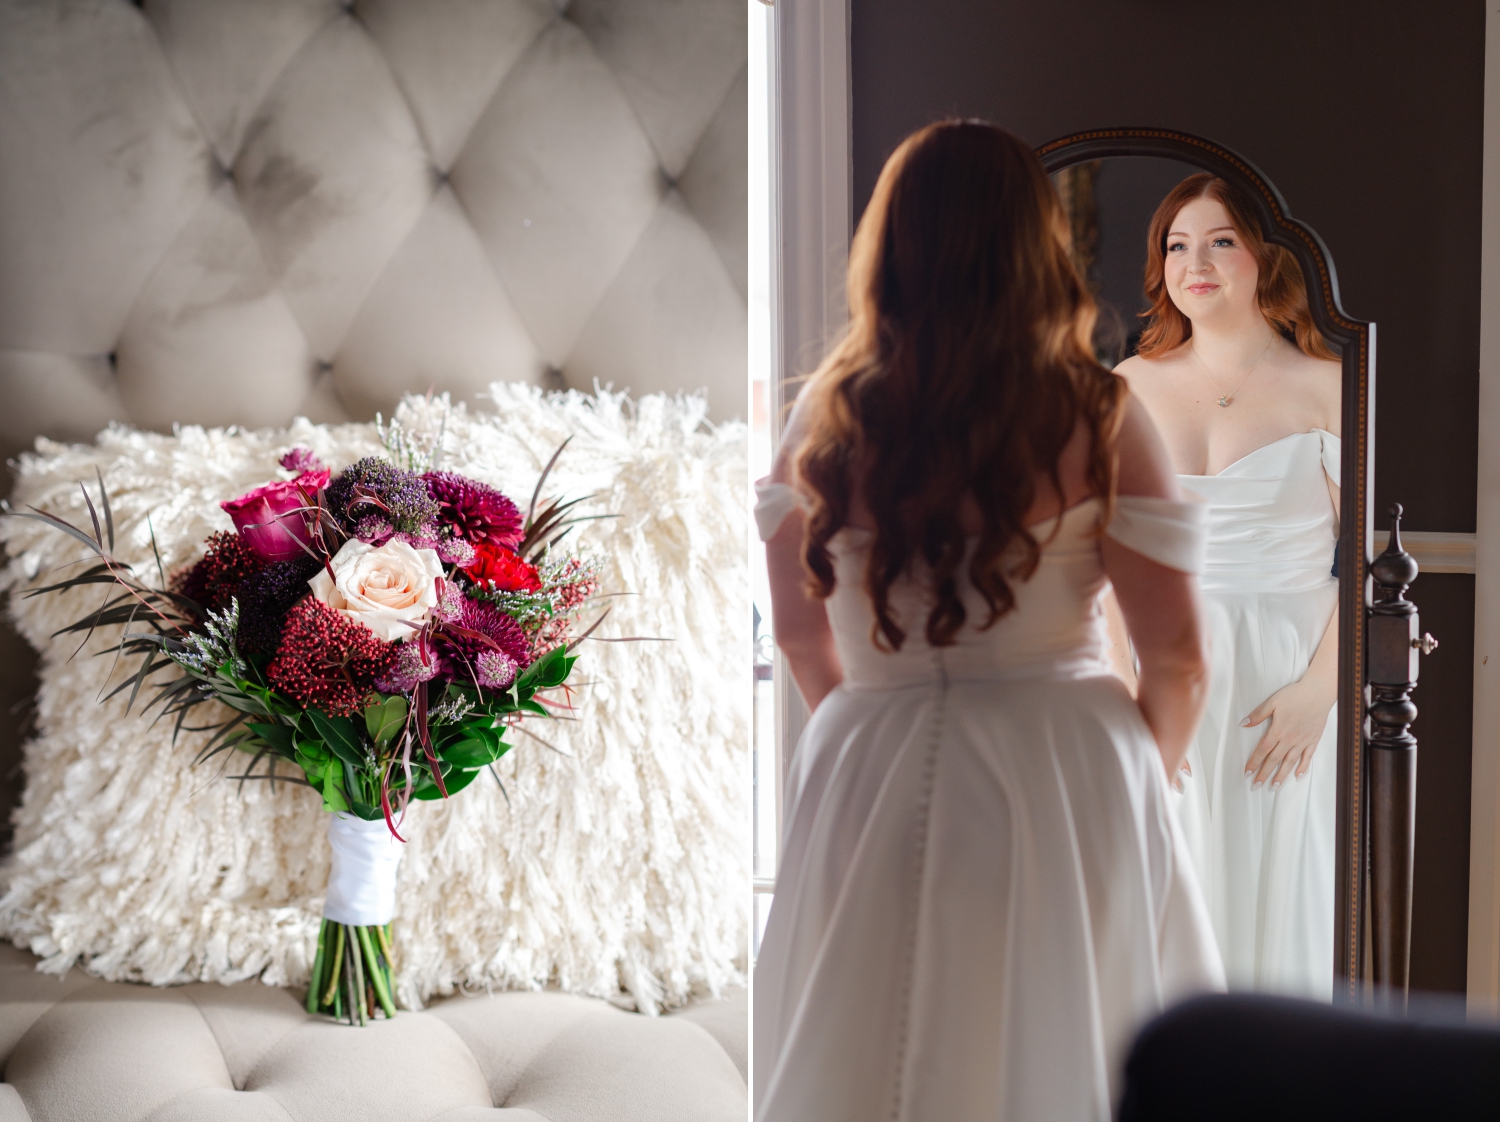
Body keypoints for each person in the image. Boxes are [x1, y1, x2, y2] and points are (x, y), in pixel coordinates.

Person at [752, 121, 1224, 1122]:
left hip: (863, 756)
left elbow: (800, 636)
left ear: (891, 248)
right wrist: (1136, 787)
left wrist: (880, 720)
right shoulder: (1097, 413)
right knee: (1065, 1043)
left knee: (860, 1038)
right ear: (1034, 245)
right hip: (1062, 764)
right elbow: (1177, 658)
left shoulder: (820, 419)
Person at [1114, 173, 1342, 999]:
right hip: (1165, 665)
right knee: (1176, 899)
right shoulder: (1129, 383)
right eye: (1177, 244)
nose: (1194, 263)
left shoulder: (1326, 383)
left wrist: (1324, 688)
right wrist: (1123, 690)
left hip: (1288, 671)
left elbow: (1376, 562)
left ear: (1263, 257)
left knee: (1284, 893)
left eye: (1220, 241)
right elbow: (1107, 565)